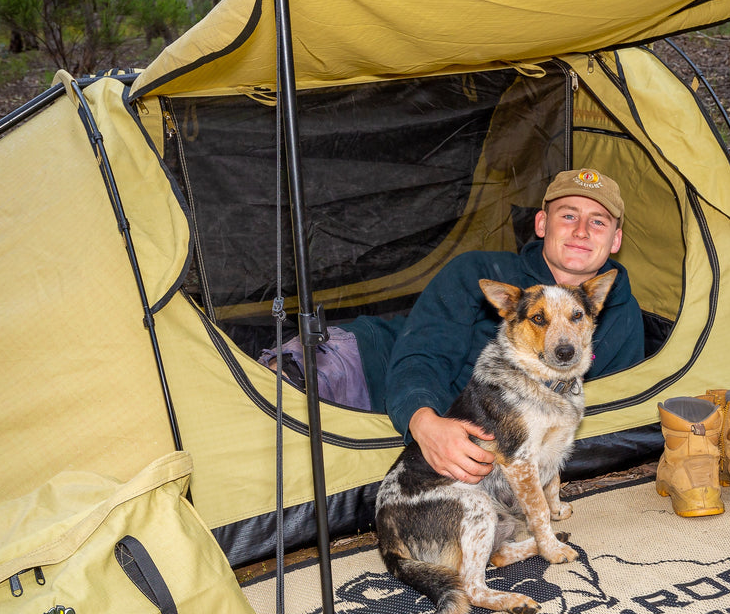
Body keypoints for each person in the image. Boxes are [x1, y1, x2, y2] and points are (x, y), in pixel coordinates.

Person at [260, 168, 644, 482]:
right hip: (372, 366)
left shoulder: (622, 314)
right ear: (542, 224)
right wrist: (425, 423)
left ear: (615, 239)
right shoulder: (481, 274)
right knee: (275, 405)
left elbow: (608, 414)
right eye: (568, 215)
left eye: (598, 221)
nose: (581, 231)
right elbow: (423, 353)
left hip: (473, 431)